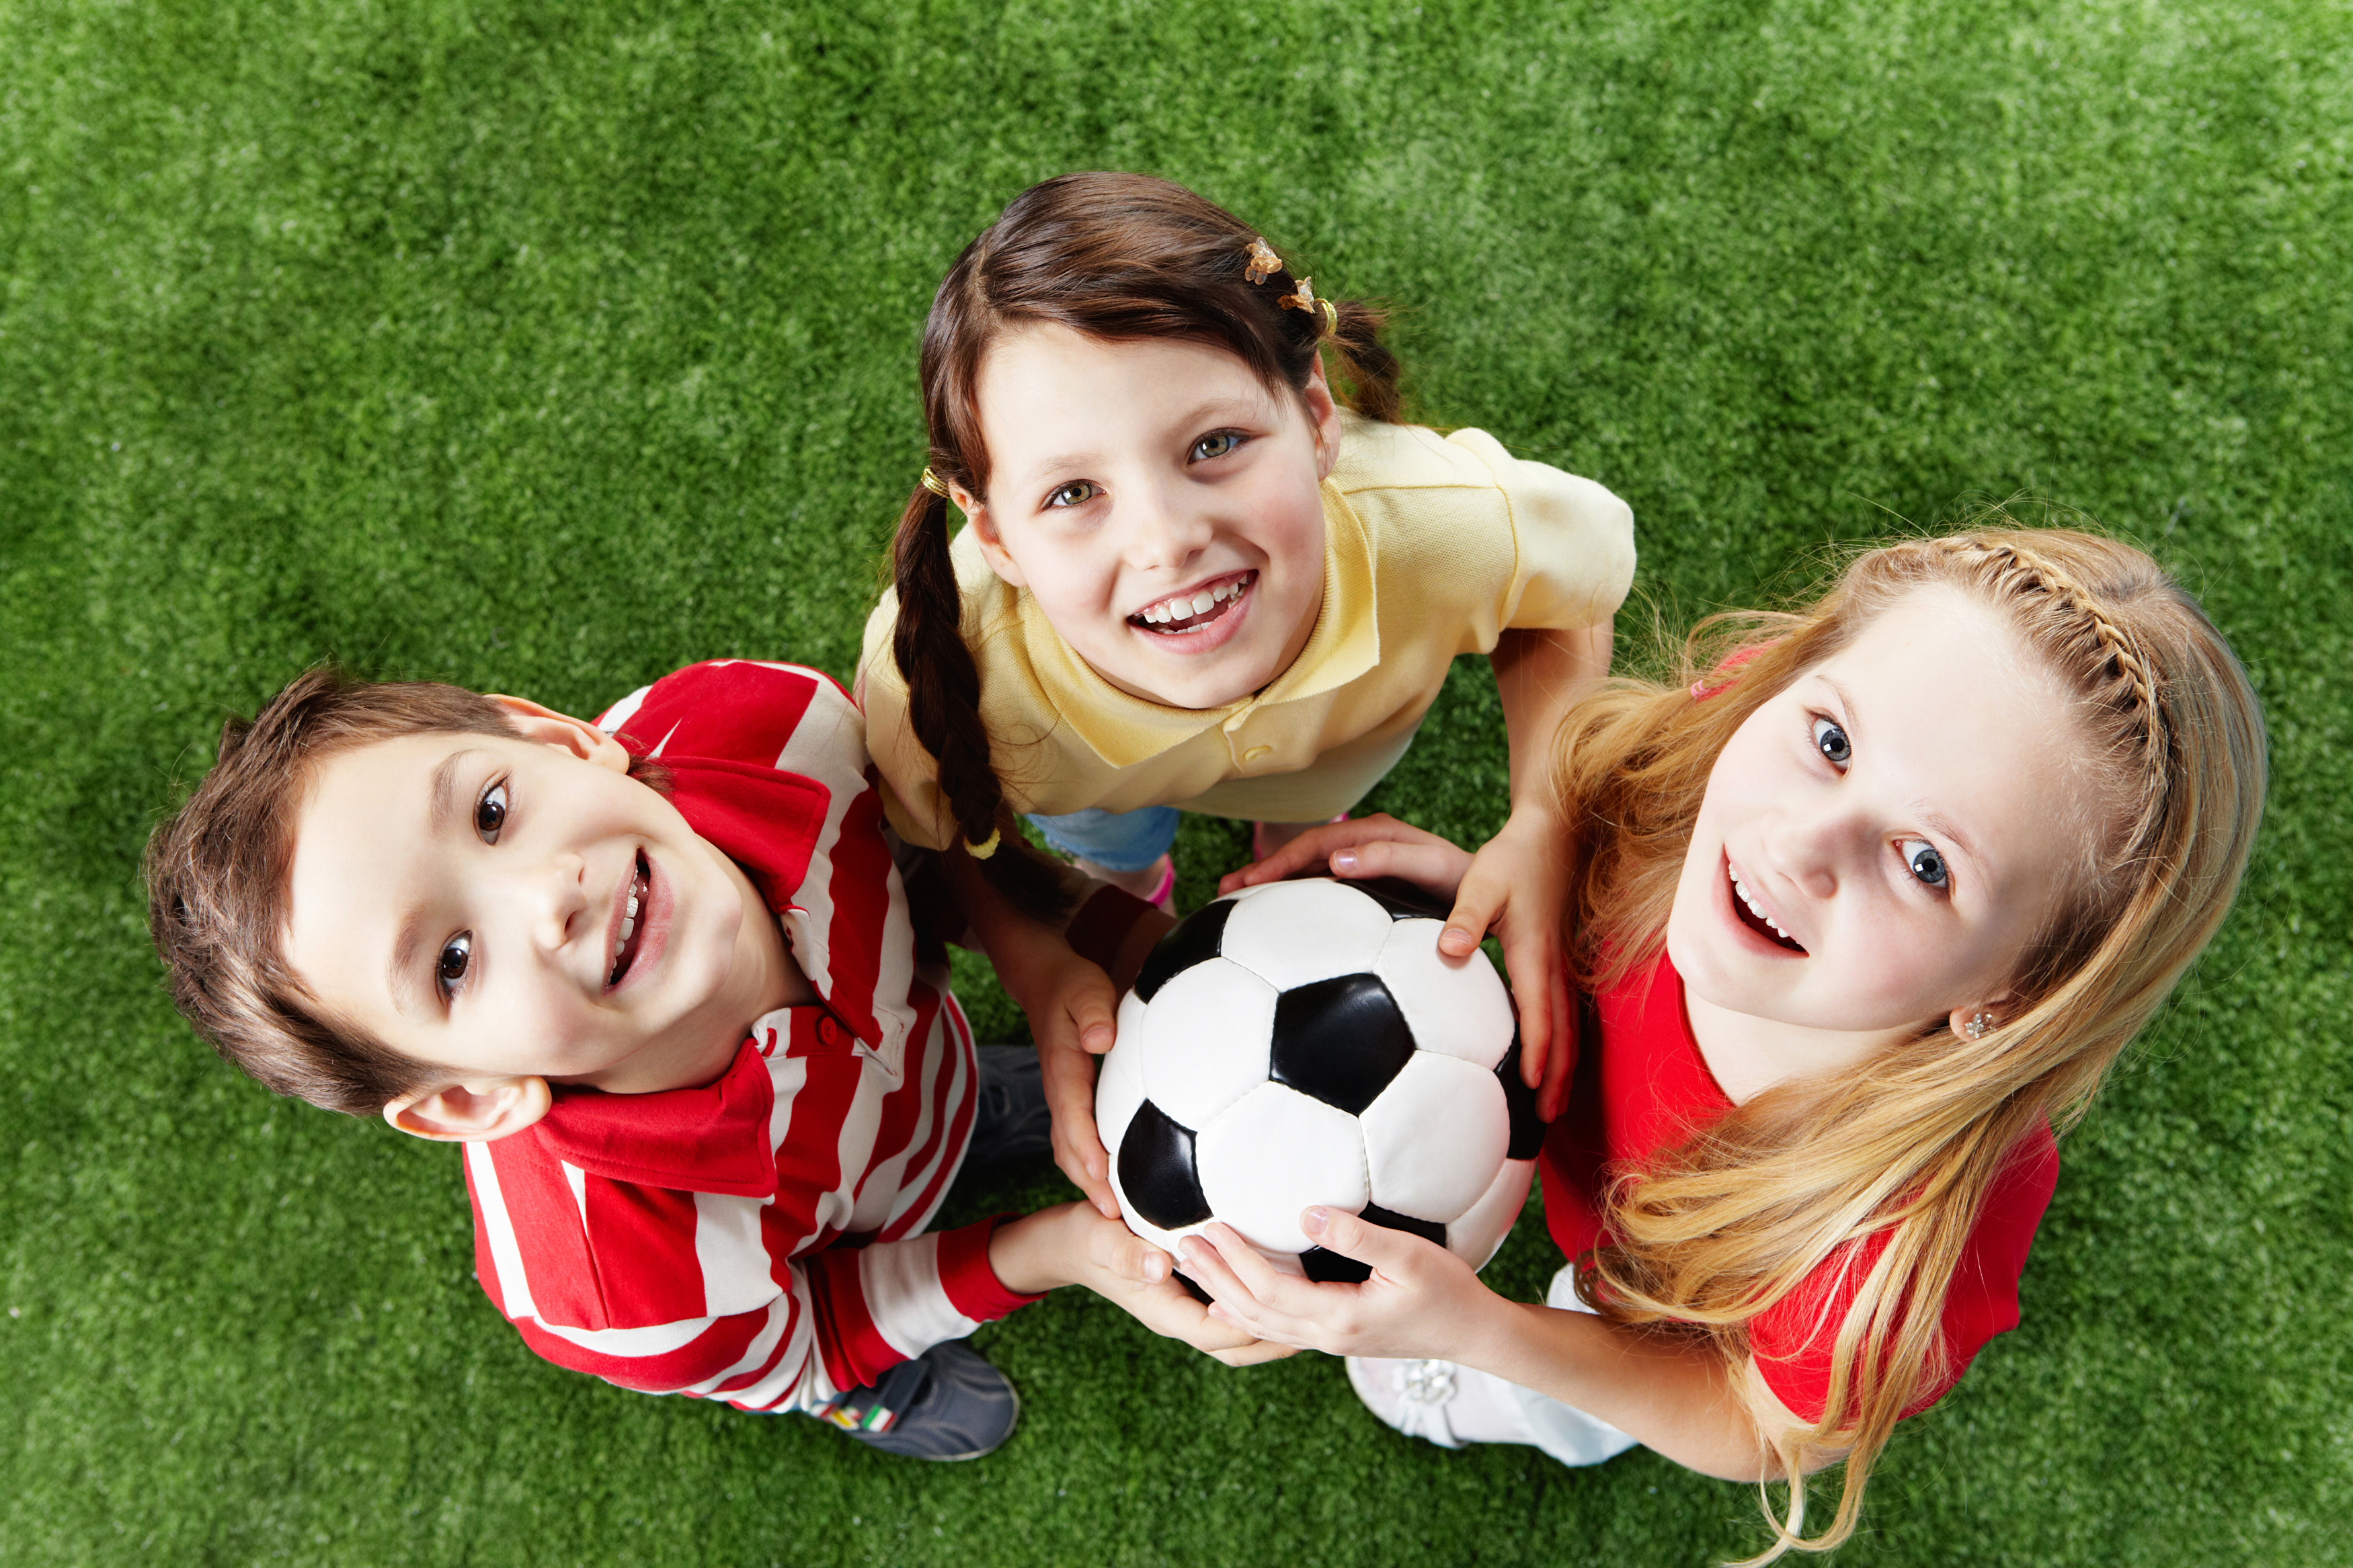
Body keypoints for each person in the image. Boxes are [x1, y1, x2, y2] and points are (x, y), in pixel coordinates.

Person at [1192, 526, 2266, 1557]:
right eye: (1835, 742)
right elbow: (1607, 802)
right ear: (1786, 678)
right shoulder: (1724, 755)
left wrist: (1484, 1333)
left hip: (1653, 1290)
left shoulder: (1885, 1252)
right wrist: (1528, 875)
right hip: (1553, 1116)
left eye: (1928, 863)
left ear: (2018, 991)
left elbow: (1752, 1421)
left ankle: (1522, 1393)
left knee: (1589, 1357)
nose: (1799, 843)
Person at [144, 657, 1271, 1462]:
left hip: (910, 1076)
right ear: (467, 1096)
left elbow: (935, 845)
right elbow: (815, 1329)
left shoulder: (782, 734)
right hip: (790, 1282)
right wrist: (1056, 1249)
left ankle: (960, 1112)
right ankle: (873, 1397)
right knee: (821, 1355)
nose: (549, 898)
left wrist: (1033, 953)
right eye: (449, 961)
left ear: (559, 740)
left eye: (493, 810)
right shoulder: (619, 1289)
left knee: (955, 1099)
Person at [856, 172, 1638, 1214]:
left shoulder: (1442, 526)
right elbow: (939, 834)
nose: (1166, 538)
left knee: (1310, 817)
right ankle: (1132, 878)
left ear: (1316, 417)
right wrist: (1046, 953)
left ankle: (1291, 852)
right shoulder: (947, 681)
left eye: (1213, 445)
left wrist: (1547, 817)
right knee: (1114, 846)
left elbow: (1567, 598)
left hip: (1340, 745)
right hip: (1092, 782)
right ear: (992, 534)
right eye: (1073, 493)